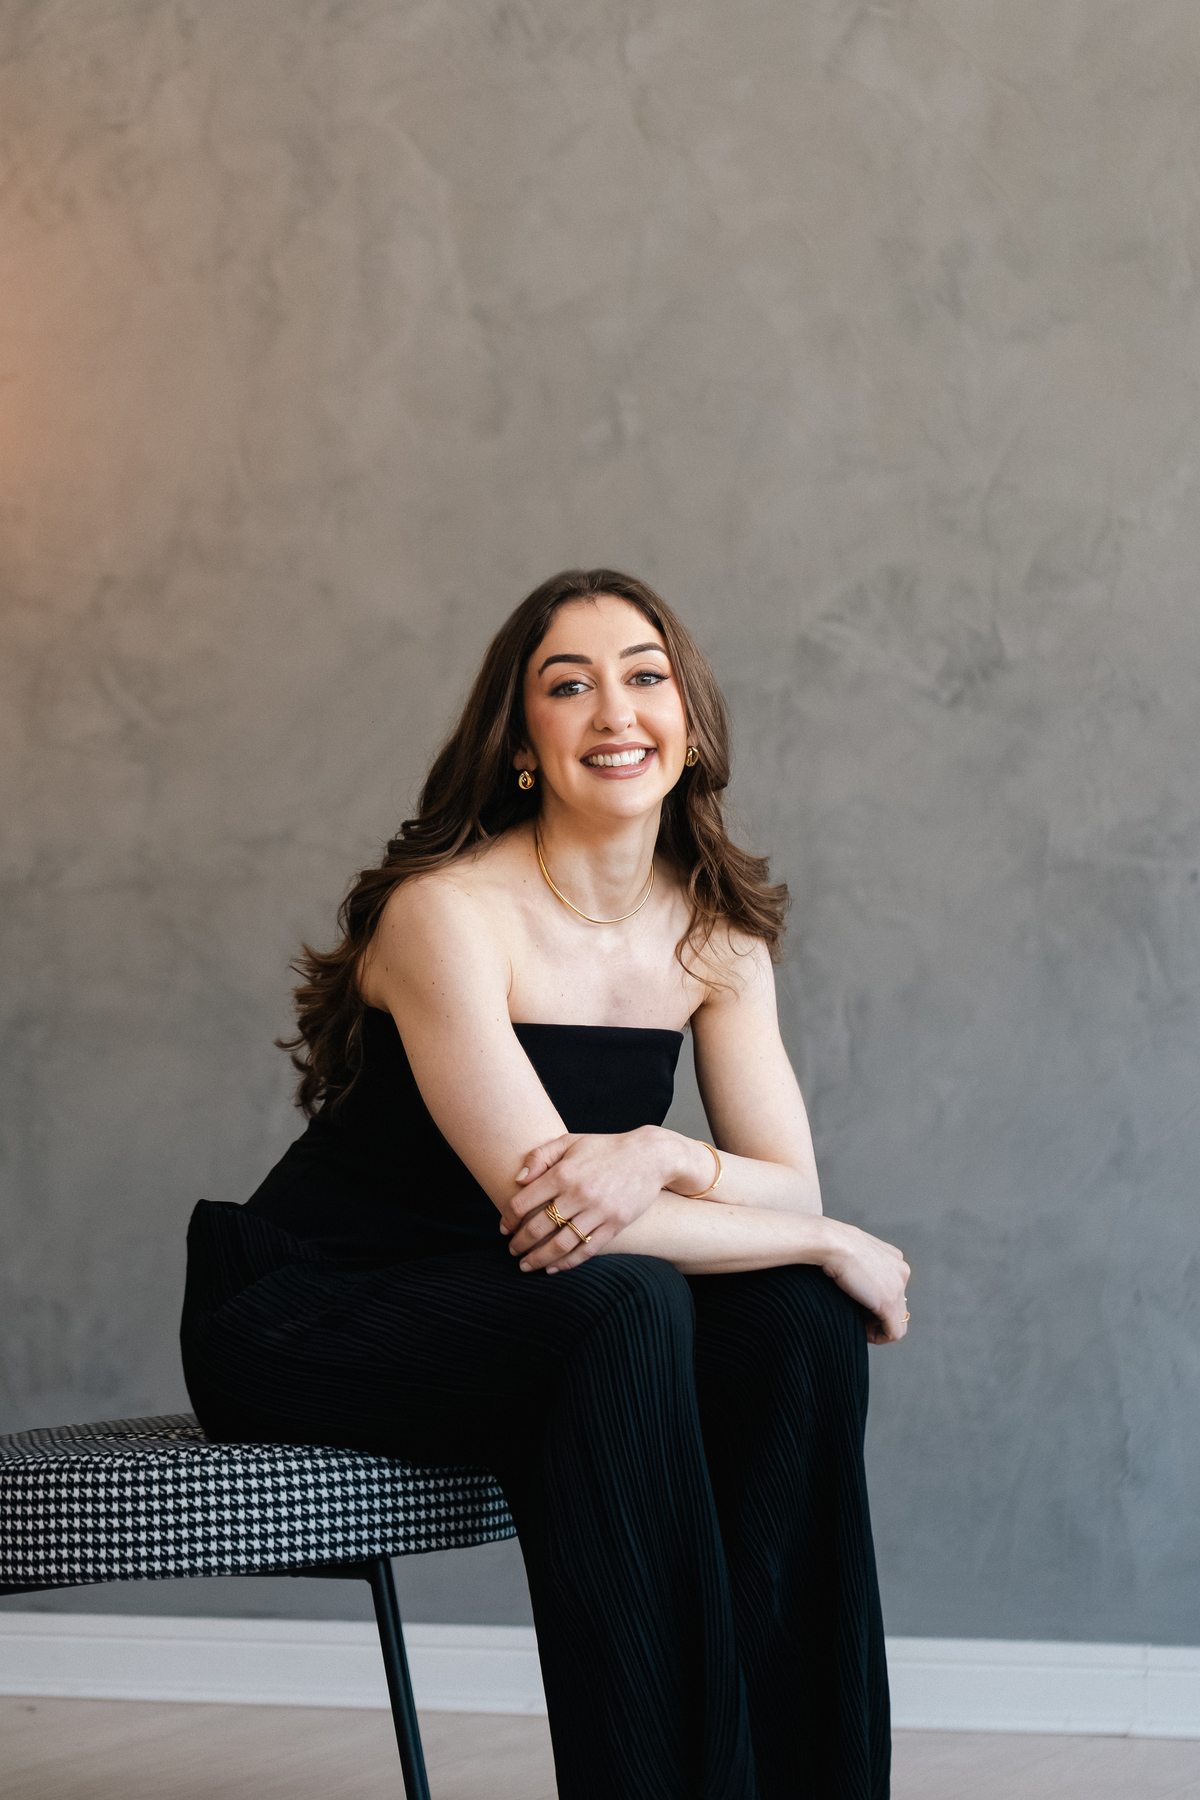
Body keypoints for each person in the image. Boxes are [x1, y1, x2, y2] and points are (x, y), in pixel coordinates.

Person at [181, 567, 908, 1800]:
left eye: (645, 677)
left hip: (521, 1297)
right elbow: (556, 1212)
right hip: (316, 1312)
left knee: (798, 1320)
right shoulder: (447, 914)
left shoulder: (717, 936)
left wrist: (669, 1155)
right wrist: (833, 1238)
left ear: (690, 722)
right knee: (631, 1301)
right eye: (569, 687)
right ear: (522, 743)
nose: (615, 711)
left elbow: (783, 1190)